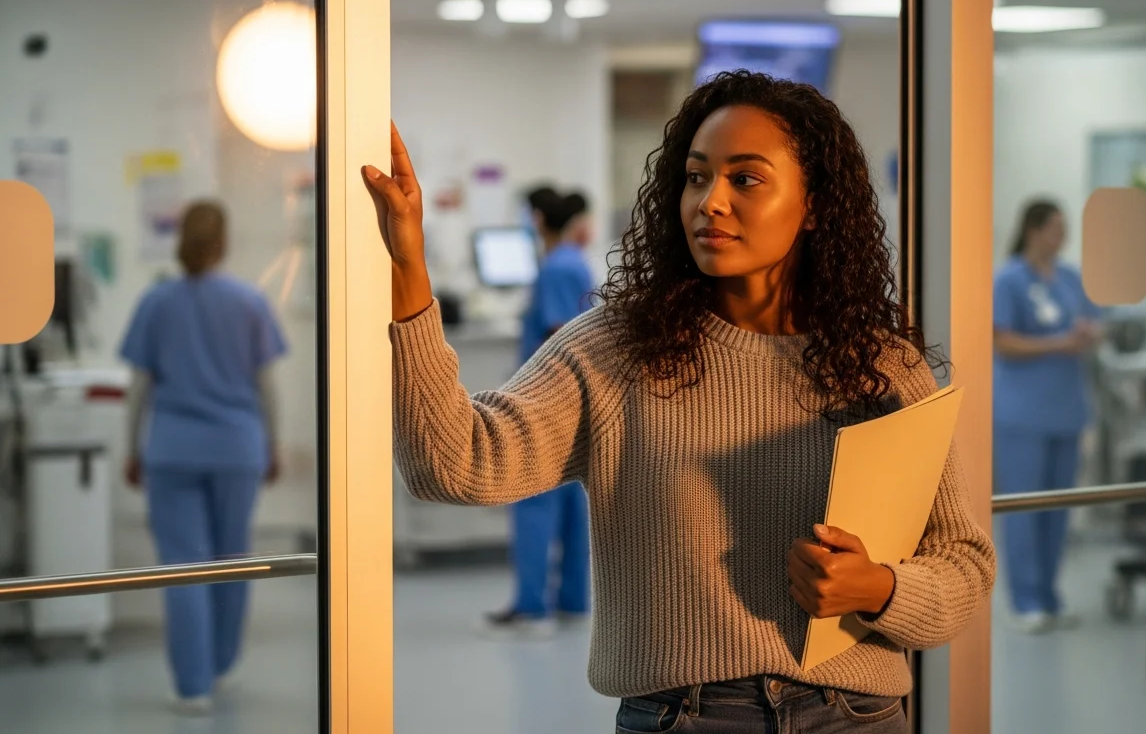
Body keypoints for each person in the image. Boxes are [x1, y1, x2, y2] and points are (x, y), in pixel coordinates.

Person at [364, 71, 995, 733]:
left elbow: (962, 566)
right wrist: (408, 270)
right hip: (686, 719)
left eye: (744, 179)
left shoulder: (883, 366)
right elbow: (452, 464)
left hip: (857, 716)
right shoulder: (617, 349)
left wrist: (880, 589)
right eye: (697, 177)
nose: (710, 202)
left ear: (814, 204)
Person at [120, 200, 286, 715]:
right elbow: (266, 386)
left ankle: (193, 686)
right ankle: (222, 664)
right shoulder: (249, 302)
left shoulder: (157, 302)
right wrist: (272, 445)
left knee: (183, 568)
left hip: (172, 449)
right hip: (237, 448)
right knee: (231, 557)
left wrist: (132, 449)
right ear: (223, 243)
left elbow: (139, 387)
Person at [485, 188, 597, 637]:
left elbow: (557, 335)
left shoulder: (554, 268)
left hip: (546, 402)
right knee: (572, 501)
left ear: (535, 219)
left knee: (533, 501)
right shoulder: (574, 262)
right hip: (577, 402)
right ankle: (572, 601)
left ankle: (531, 608)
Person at [991, 199, 1100, 633]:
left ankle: (1051, 597)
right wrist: (1058, 344)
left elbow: (1094, 321)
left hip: (1066, 410)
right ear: (1033, 230)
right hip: (1023, 414)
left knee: (1059, 510)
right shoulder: (1010, 280)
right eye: (1056, 227)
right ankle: (1026, 600)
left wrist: (1091, 334)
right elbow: (1002, 342)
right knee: (1025, 509)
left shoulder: (1071, 278)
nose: (1063, 236)